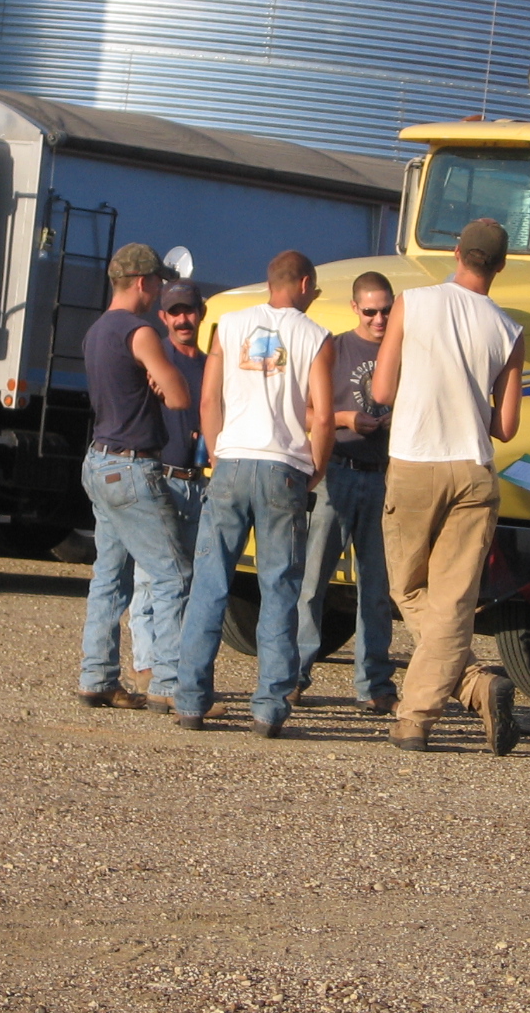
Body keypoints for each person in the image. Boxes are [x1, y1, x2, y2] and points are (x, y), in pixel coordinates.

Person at [372, 219, 526, 754]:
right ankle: (435, 707)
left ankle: (456, 696)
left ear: (456, 252)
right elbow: (506, 426)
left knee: (407, 588)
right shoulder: (509, 330)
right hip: (474, 467)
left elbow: (382, 389)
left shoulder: (412, 303)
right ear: (500, 266)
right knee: (453, 600)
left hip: (416, 459)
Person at [174, 250, 336, 737]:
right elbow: (324, 417)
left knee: (210, 583)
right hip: (283, 465)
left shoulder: (228, 326)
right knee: (279, 587)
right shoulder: (317, 337)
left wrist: (217, 454)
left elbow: (209, 399)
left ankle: (191, 700)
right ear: (303, 284)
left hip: (232, 459)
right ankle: (268, 707)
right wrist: (315, 470)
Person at [75, 243, 190, 712]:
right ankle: (171, 684)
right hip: (132, 465)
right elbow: (179, 396)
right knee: (173, 575)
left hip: (99, 460)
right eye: (158, 282)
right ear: (143, 281)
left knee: (109, 576)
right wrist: (161, 379)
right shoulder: (139, 332)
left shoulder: (96, 331)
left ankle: (97, 676)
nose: (160, 290)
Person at [294, 271, 398, 715]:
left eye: (386, 311)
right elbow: (302, 409)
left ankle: (374, 683)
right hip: (336, 473)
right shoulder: (333, 348)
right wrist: (344, 420)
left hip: (384, 477)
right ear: (355, 307)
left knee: (376, 589)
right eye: (370, 311)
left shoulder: (404, 352)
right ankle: (293, 676)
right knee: (311, 583)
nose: (379, 320)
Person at [124, 278, 207, 707]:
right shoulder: (155, 358)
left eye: (188, 310)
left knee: (187, 581)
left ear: (201, 313)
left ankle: (173, 669)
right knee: (149, 578)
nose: (182, 319)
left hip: (198, 482)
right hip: (159, 476)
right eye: (174, 312)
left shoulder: (210, 366)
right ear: (163, 317)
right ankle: (146, 666)